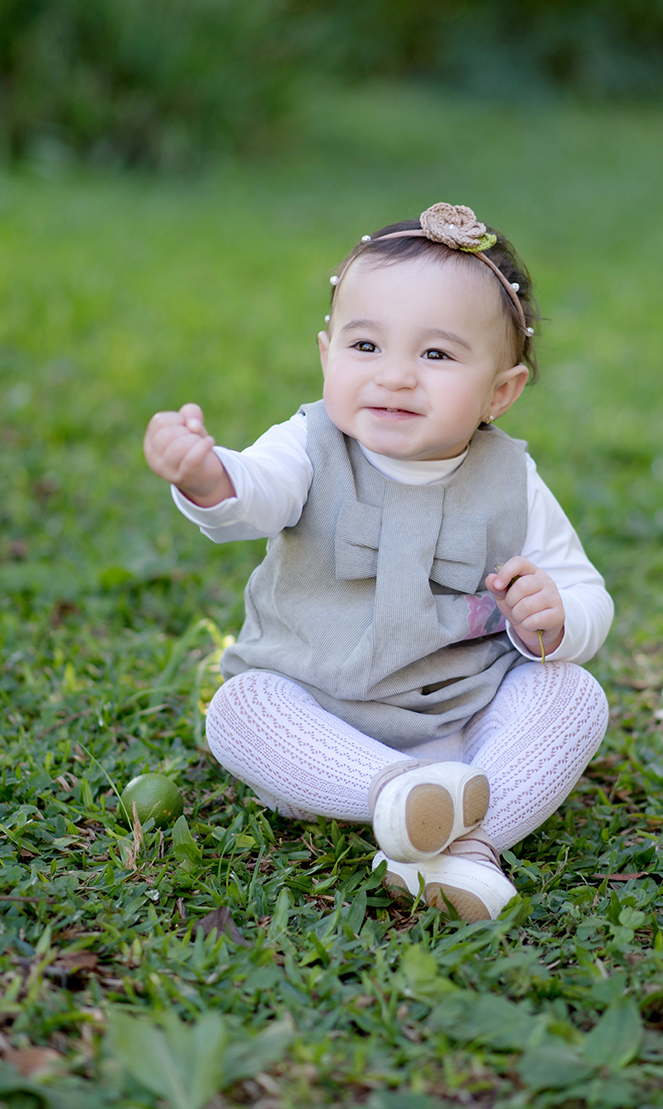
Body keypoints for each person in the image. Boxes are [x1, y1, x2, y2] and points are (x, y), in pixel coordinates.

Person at [144, 203, 613, 923]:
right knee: (240, 709)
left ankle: (448, 838)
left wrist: (557, 616)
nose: (395, 377)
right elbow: (254, 495)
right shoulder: (308, 443)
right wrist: (206, 476)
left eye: (435, 355)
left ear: (501, 391)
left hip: (463, 723)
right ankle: (403, 799)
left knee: (573, 695)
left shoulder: (512, 482)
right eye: (367, 347)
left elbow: (583, 590)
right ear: (328, 354)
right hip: (320, 724)